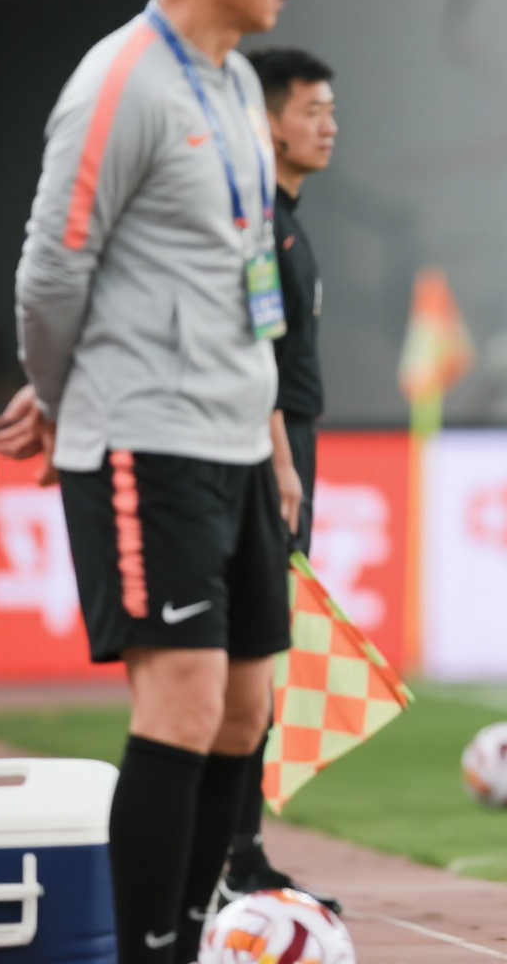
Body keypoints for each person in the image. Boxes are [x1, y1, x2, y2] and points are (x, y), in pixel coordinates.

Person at [0, 0, 299, 964]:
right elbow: (50, 271)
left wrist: (271, 435)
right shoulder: (119, 82)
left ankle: (193, 935)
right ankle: (147, 951)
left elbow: (240, 271)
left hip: (233, 434)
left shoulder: (232, 81)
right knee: (179, 708)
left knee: (245, 710)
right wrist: (62, 396)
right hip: (146, 438)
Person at [219, 47, 341, 911]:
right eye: (311, 111)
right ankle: (231, 855)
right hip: (270, 445)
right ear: (266, 122)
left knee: (262, 660)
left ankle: (242, 848)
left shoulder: (289, 220)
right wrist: (281, 458)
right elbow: (254, 346)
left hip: (290, 440)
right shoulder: (258, 221)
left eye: (331, 110)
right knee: (246, 663)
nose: (328, 126)